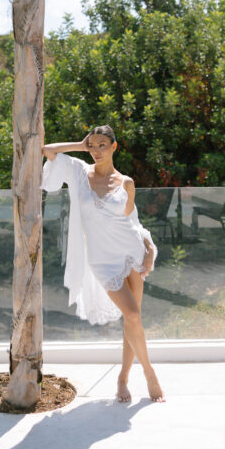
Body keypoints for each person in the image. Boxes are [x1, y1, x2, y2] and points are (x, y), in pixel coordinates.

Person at [42, 126, 165, 403]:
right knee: (132, 314)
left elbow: (132, 222)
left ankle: (125, 378)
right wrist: (80, 145)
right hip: (102, 259)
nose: (96, 151)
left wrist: (148, 248)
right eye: (93, 145)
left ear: (114, 147)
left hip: (130, 251)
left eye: (102, 145)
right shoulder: (78, 172)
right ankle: (149, 373)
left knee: (133, 319)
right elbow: (47, 150)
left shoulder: (126, 183)